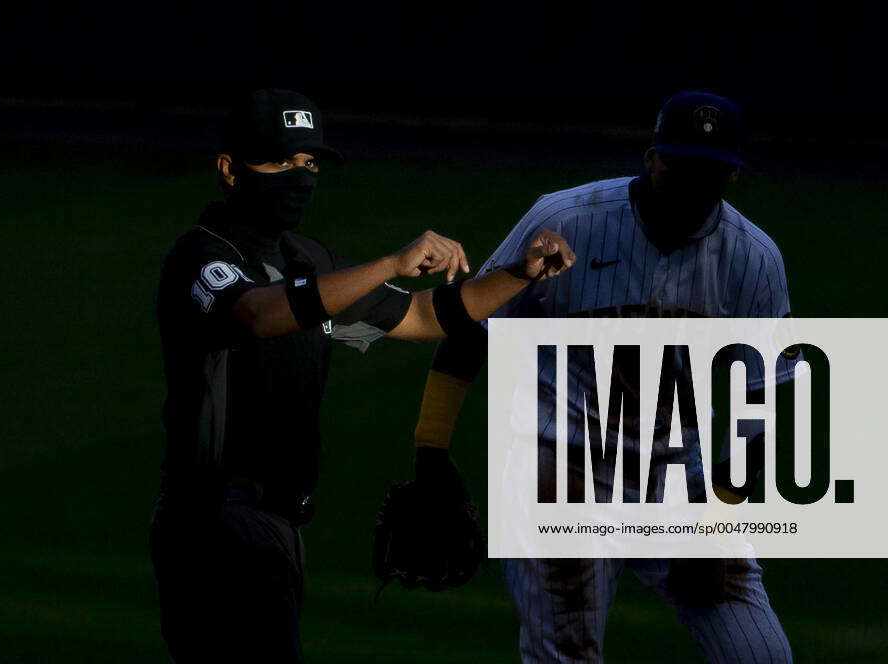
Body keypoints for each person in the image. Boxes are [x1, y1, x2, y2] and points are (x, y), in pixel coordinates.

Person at [147, 88, 576, 663]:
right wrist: (392, 264)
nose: (299, 176)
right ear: (229, 169)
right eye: (279, 161)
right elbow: (254, 312)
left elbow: (423, 316)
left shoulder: (310, 262)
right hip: (212, 527)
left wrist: (520, 274)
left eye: (309, 163)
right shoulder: (199, 257)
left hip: (279, 528)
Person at [409, 91, 795, 663]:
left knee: (760, 655)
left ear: (733, 176)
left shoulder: (753, 258)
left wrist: (716, 520)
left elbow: (759, 404)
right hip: (557, 474)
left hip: (675, 479)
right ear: (651, 158)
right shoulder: (565, 219)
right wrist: (430, 452)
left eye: (708, 171)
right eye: (679, 165)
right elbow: (472, 325)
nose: (690, 183)